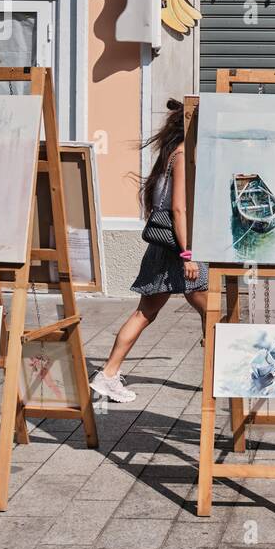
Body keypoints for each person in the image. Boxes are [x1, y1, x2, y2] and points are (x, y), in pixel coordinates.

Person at [89, 99, 208, 403]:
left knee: (147, 313)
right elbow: (178, 209)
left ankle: (108, 375)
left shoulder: (169, 154)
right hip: (177, 248)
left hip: (165, 246)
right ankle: (220, 377)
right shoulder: (181, 155)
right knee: (211, 310)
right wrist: (188, 255)